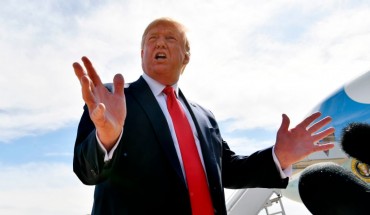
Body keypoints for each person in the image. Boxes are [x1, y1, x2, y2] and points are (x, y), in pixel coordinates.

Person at [72, 17, 335, 215]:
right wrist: (106, 137)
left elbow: (228, 170)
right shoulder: (111, 101)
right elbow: (86, 171)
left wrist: (278, 157)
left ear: (186, 56)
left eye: (170, 38)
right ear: (142, 54)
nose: (160, 42)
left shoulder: (204, 117)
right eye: (152, 39)